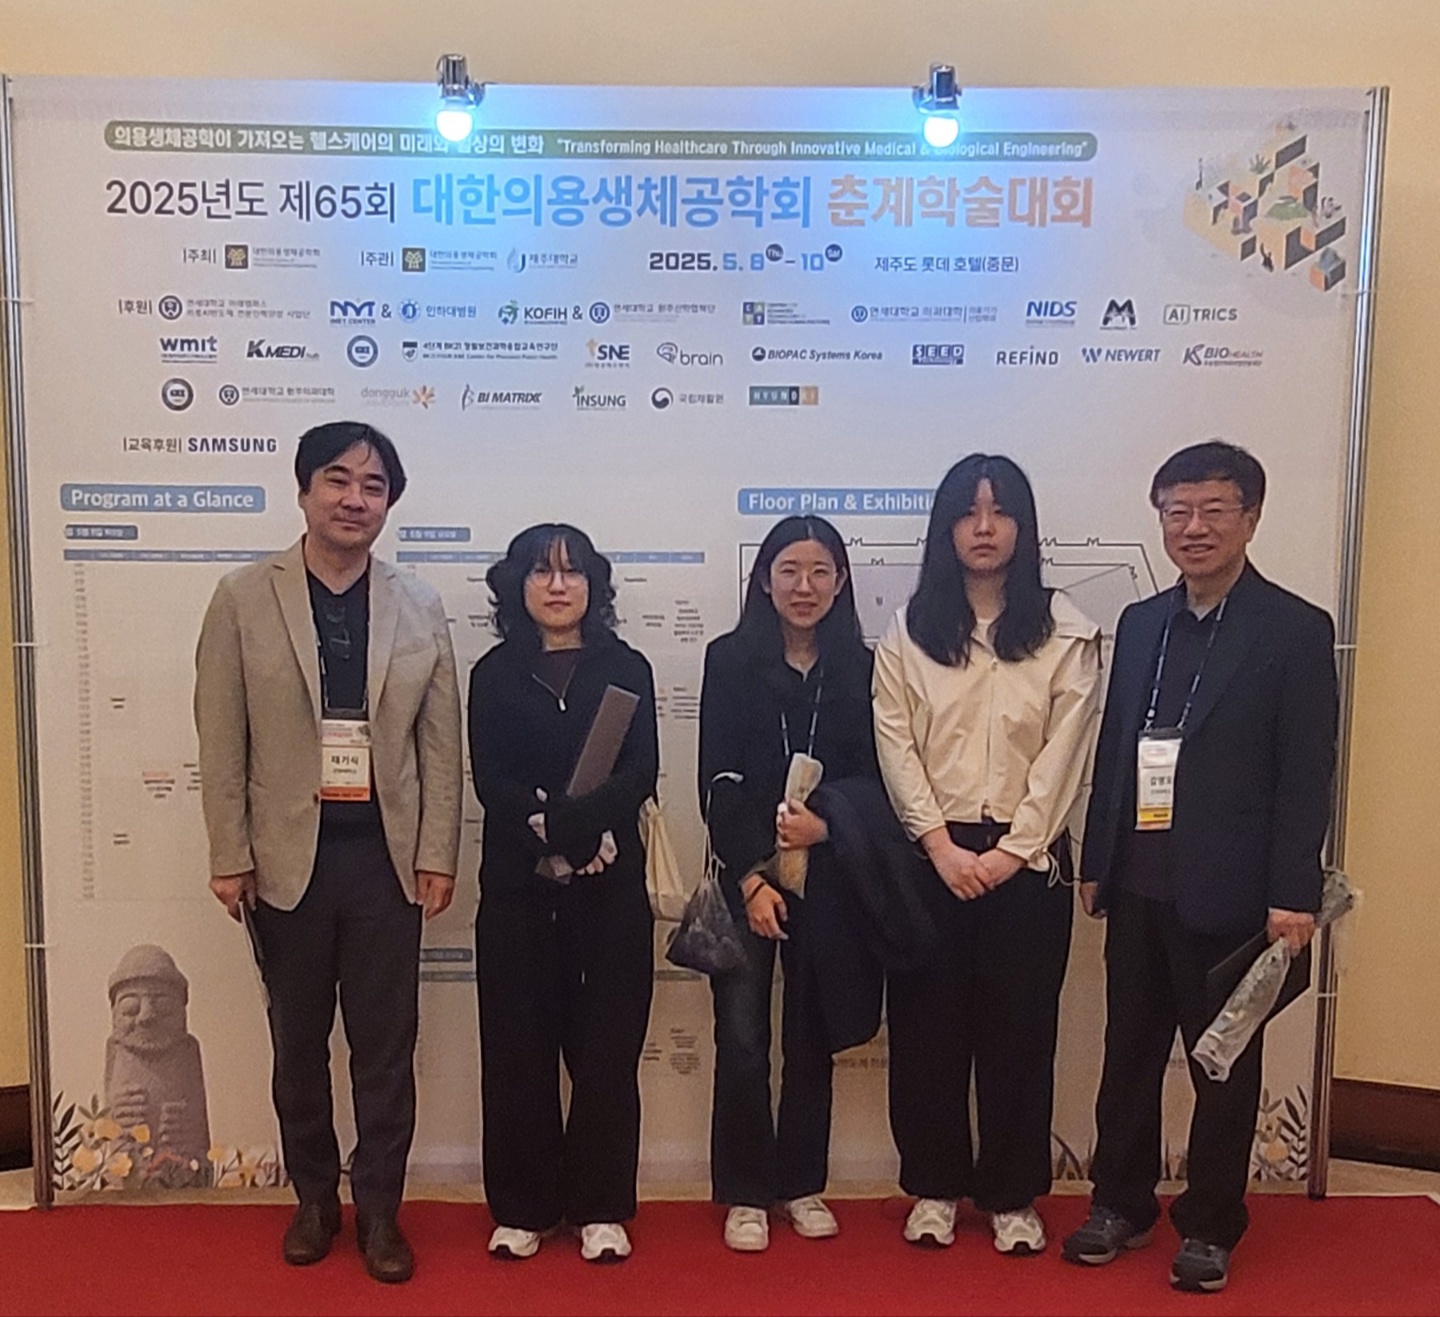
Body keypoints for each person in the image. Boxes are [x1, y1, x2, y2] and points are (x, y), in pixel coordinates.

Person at [1062, 441, 1337, 1293]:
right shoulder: (1142, 622)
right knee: (1127, 1057)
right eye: (1177, 510)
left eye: (1214, 509)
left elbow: (1307, 771)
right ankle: (1120, 1201)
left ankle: (1212, 1223)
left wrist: (1294, 892)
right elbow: (1118, 748)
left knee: (1223, 1067)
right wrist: (1097, 857)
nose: (1194, 527)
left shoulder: (1295, 629)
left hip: (1235, 892)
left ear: (1251, 517)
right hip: (1138, 883)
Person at [194, 421, 463, 1283]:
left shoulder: (418, 604)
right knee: (298, 1046)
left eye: (374, 485)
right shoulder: (243, 597)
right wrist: (230, 852)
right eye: (338, 480)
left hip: (384, 864)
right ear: (305, 491)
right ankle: (314, 1199)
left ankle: (380, 1210)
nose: (355, 499)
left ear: (389, 503)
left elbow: (439, 744)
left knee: (386, 1050)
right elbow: (221, 736)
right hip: (286, 864)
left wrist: (438, 852)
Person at [873, 454, 1102, 1256]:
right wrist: (938, 844)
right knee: (926, 1031)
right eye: (967, 512)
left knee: (1020, 1034)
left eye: (999, 511)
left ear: (1022, 526)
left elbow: (1066, 753)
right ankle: (934, 1188)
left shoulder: (1066, 629)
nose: (983, 527)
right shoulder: (910, 628)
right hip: (931, 856)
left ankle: (1010, 1195)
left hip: (1027, 862)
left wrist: (1013, 851)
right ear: (944, 528)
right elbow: (895, 740)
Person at [468, 524, 658, 1265]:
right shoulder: (493, 674)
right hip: (517, 890)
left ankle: (601, 1207)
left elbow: (639, 772)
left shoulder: (627, 667)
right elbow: (493, 780)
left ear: (593, 585)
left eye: (572, 572)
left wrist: (574, 831)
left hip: (611, 890)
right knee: (517, 1053)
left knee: (607, 1054)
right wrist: (554, 835)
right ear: (516, 585)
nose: (557, 585)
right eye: (541, 572)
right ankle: (524, 1208)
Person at [698, 516, 880, 1252]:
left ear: (841, 581)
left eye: (820, 571)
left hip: (828, 876)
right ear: (764, 579)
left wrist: (826, 827)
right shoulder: (728, 659)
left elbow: (875, 779)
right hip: (745, 874)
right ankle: (746, 1189)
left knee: (811, 1036)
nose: (804, 586)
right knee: (742, 1038)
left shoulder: (863, 667)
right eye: (789, 570)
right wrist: (751, 878)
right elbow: (716, 780)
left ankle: (801, 1181)